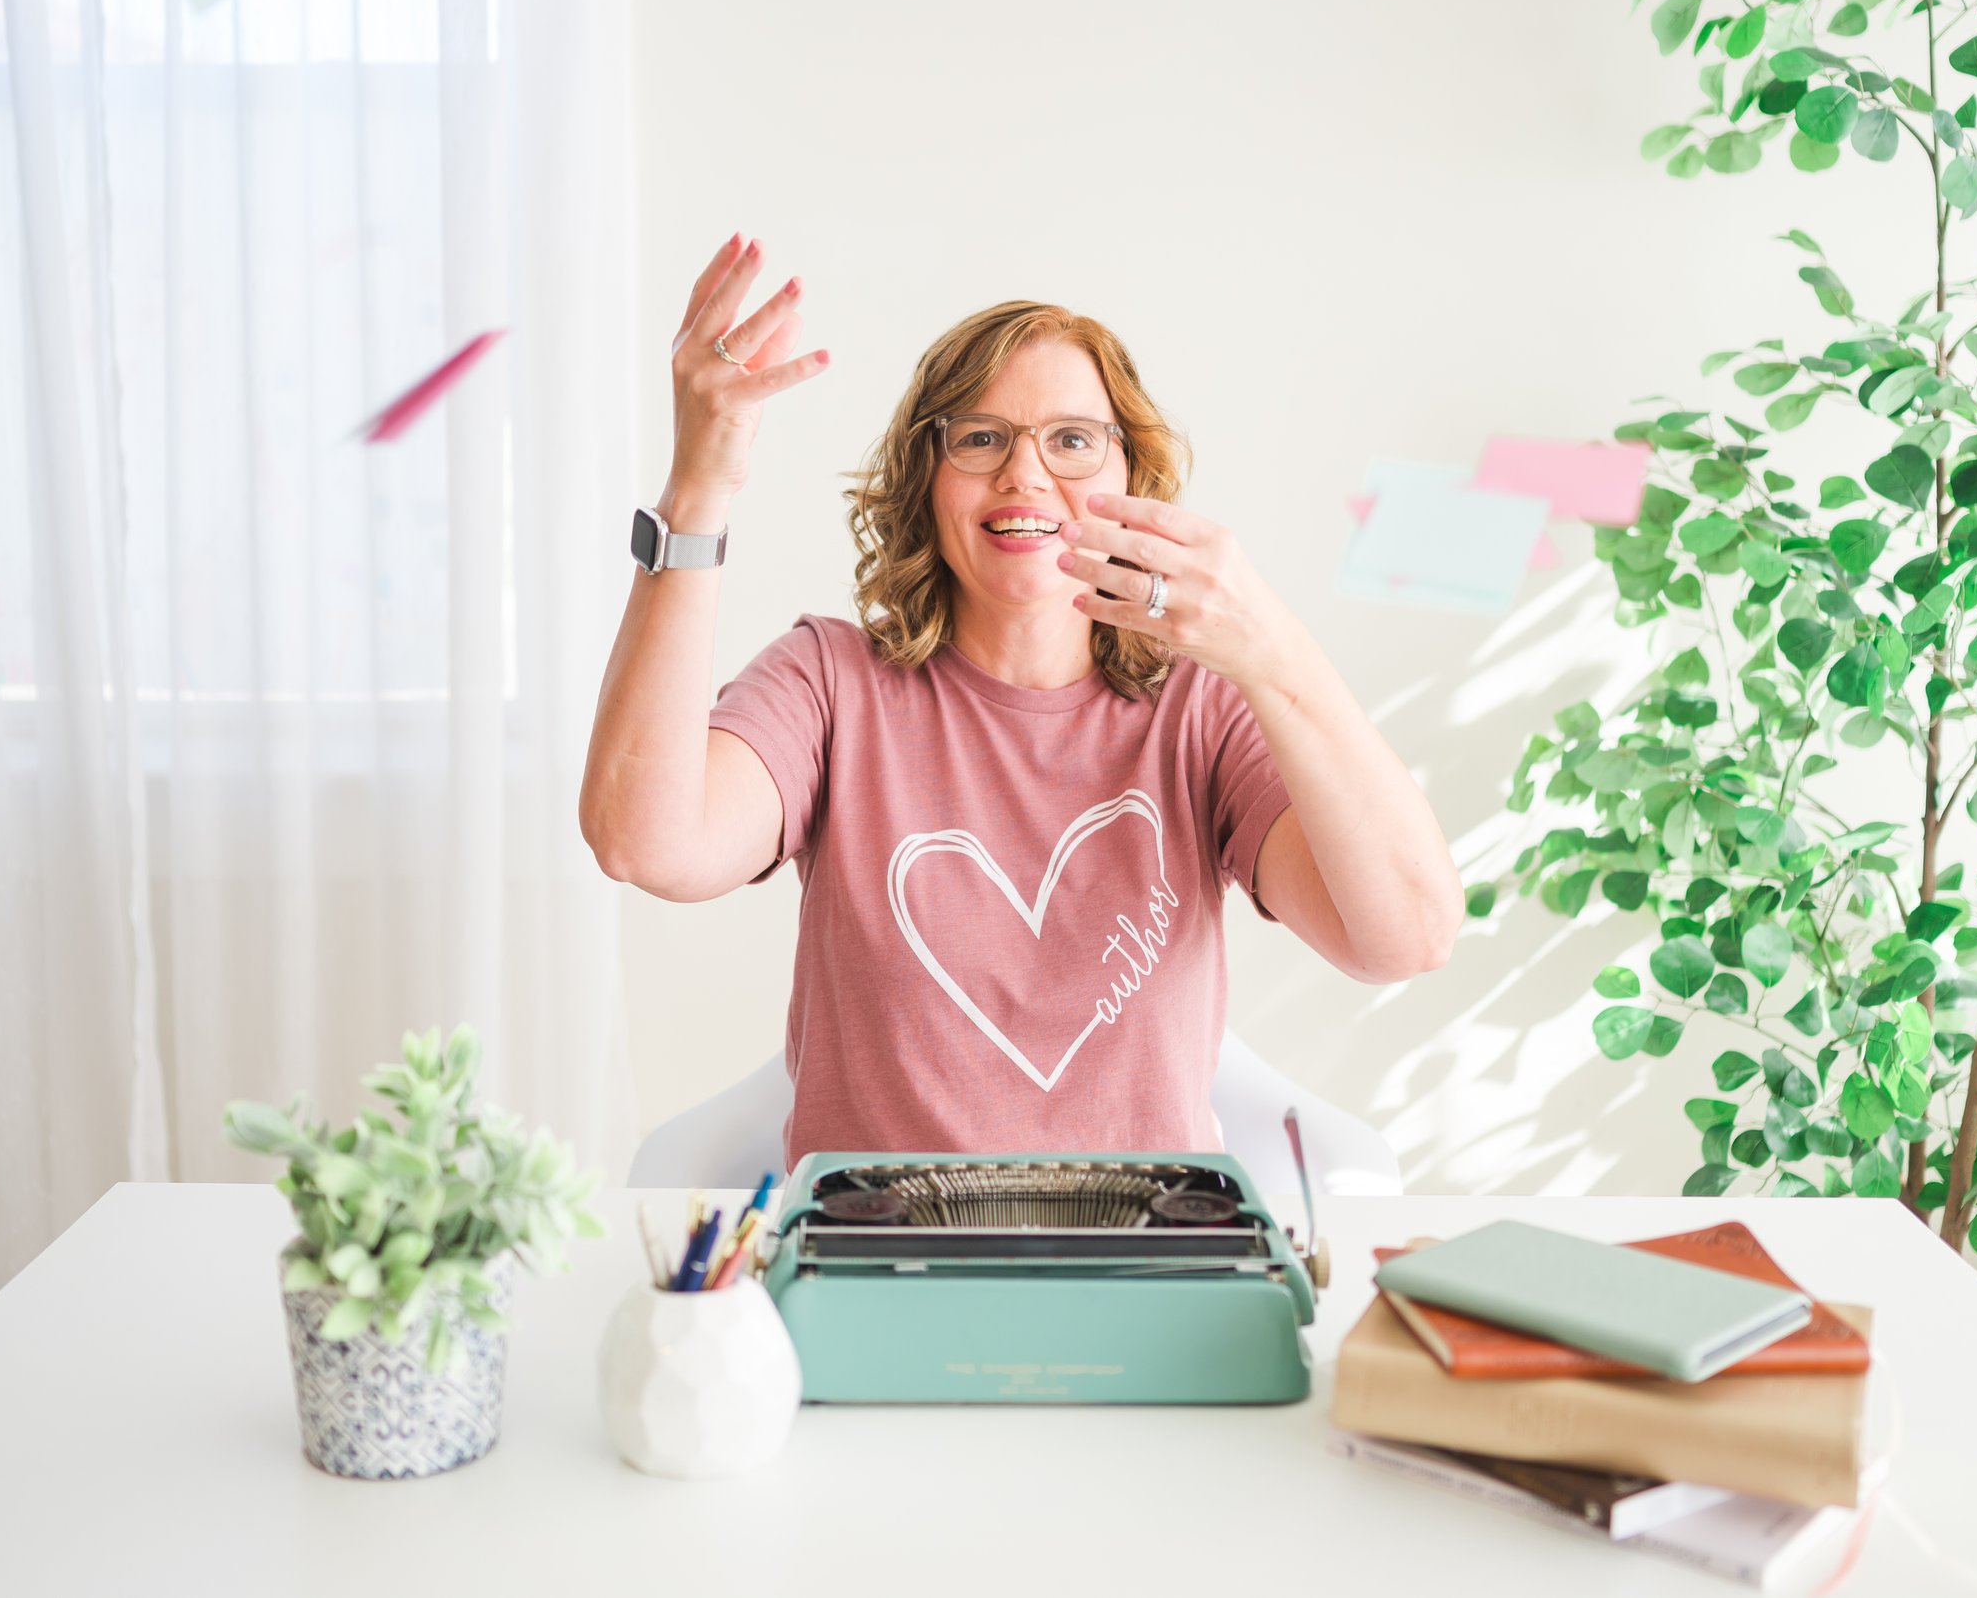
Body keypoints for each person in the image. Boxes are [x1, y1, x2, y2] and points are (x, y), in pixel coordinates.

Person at [581, 233, 1461, 1167]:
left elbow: (1407, 935)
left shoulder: (1199, 712)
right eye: (981, 437)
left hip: (1145, 1266)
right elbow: (644, 840)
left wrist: (1268, 645)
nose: (1026, 475)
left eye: (1073, 440)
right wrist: (699, 489)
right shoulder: (831, 684)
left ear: (1132, 475)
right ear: (927, 479)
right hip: (880, 1268)